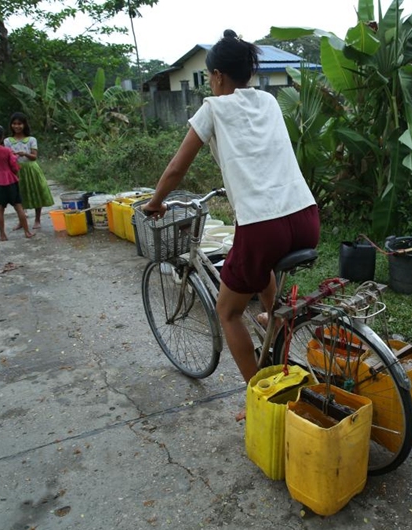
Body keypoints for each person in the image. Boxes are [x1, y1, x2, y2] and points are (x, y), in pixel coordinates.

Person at [144, 29, 319, 383]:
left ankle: (259, 396)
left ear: (218, 76)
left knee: (228, 312)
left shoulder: (213, 108)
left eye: (209, 75)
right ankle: (274, 316)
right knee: (261, 268)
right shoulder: (268, 102)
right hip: (305, 215)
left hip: (262, 227)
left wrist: (155, 202)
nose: (210, 82)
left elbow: (177, 168)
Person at [0, 123, 34, 241]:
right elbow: (14, 167)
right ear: (1, 137)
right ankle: (27, 232)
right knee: (18, 206)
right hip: (10, 180)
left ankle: (2, 235)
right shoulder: (6, 151)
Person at [4, 112, 54, 230]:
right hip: (16, 170)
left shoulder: (31, 139)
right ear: (11, 125)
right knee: (19, 196)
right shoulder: (7, 141)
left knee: (37, 192)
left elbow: (34, 156)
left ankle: (37, 220)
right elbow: (7, 157)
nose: (17, 126)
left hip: (31, 169)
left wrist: (24, 153)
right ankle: (22, 220)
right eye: (14, 124)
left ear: (24, 125)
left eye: (19, 124)